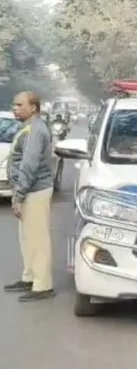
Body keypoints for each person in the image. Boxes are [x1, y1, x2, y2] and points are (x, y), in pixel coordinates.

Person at [3, 91, 55, 302]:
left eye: (19, 105)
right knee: (27, 238)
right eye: (14, 105)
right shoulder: (28, 127)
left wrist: (19, 195)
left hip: (35, 190)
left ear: (33, 107)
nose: (14, 108)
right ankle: (30, 276)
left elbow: (29, 165)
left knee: (37, 239)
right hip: (29, 190)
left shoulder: (35, 131)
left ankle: (43, 285)